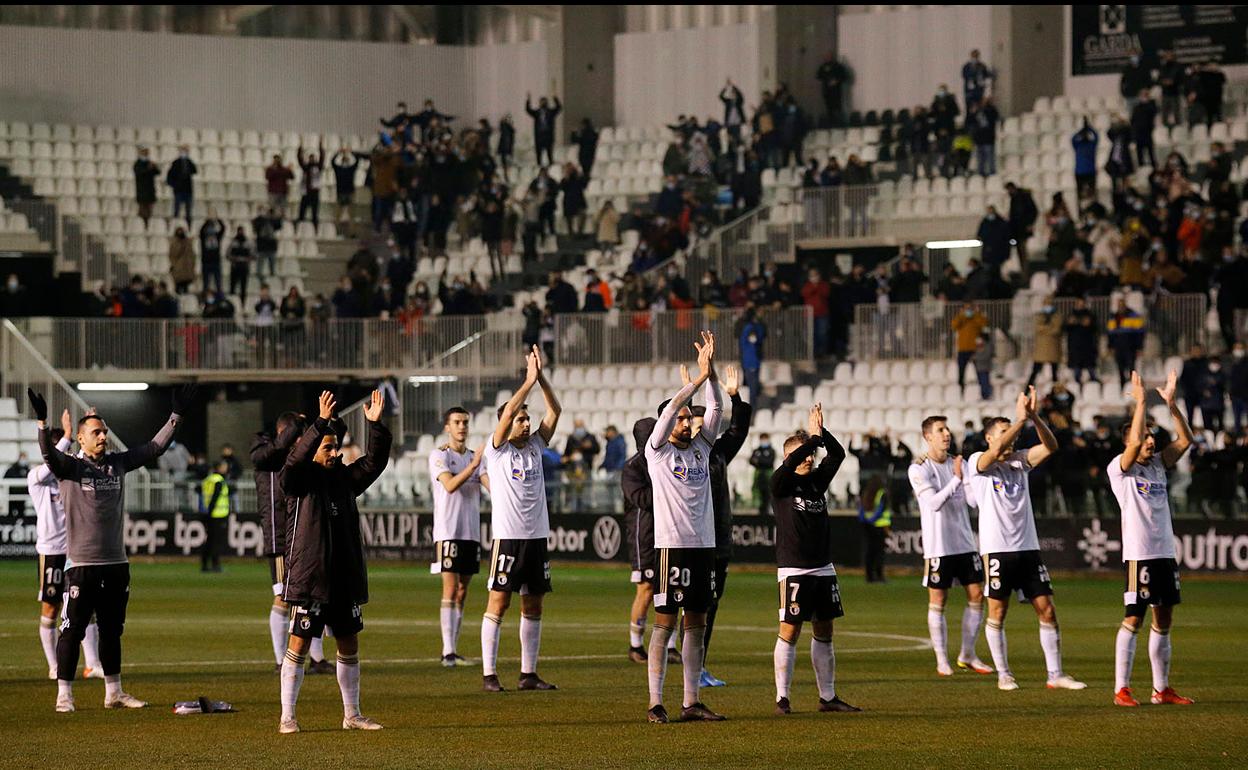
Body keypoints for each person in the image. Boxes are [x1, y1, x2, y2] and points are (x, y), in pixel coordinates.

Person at [30, 383, 196, 712]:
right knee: (72, 630)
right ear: (81, 439)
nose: (103, 437)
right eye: (96, 432)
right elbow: (48, 455)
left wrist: (176, 415)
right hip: (80, 565)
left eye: (104, 432)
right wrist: (42, 424)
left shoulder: (118, 464)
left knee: (110, 631)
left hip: (116, 564)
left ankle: (114, 692)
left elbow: (154, 448)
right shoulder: (70, 468)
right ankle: (65, 693)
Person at [277, 389, 390, 733]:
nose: (334, 452)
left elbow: (375, 463)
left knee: (349, 643)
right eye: (327, 447)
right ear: (312, 450)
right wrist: (320, 422)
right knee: (298, 643)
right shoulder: (299, 480)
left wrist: (376, 426)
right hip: (312, 578)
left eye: (335, 446)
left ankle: (352, 714)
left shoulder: (344, 478)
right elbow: (294, 462)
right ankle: (288, 715)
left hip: (343, 577)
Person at [967, 387, 1085, 692]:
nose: (1012, 438)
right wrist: (1020, 421)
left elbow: (1051, 445)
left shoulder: (1020, 461)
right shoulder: (978, 461)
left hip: (1028, 548)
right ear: (990, 437)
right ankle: (1004, 674)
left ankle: (1055, 674)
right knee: (998, 611)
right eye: (1004, 432)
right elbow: (993, 455)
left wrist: (1033, 417)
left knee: (1047, 609)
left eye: (1013, 432)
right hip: (997, 551)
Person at [644, 330, 725, 723]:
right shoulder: (656, 452)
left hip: (703, 546)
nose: (687, 420)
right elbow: (670, 411)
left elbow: (717, 412)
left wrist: (709, 376)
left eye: (688, 417)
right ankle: (656, 701)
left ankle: (691, 701)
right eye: (680, 416)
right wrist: (692, 382)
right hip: (671, 547)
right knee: (665, 622)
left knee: (697, 622)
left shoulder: (701, 448)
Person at [480, 345, 562, 693]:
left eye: (528, 419)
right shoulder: (496, 449)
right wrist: (526, 382)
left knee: (534, 602)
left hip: (536, 535)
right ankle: (489, 674)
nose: (526, 423)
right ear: (507, 422)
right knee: (499, 600)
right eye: (521, 419)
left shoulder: (535, 445)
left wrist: (541, 379)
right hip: (509, 536)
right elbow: (510, 407)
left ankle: (528, 674)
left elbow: (555, 409)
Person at [1110, 371, 1195, 707]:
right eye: (1145, 436)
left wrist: (1172, 406)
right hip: (1139, 554)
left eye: (1151, 437)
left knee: (1164, 618)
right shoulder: (1120, 468)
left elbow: (1186, 440)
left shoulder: (1158, 464)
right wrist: (1142, 401)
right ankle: (1122, 688)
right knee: (1135, 617)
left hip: (1163, 552)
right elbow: (1132, 445)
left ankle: (1161, 689)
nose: (1150, 441)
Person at [771, 403, 859, 714]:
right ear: (788, 458)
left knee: (825, 631)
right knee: (790, 629)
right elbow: (796, 458)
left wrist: (821, 435)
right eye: (803, 454)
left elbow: (837, 456)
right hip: (794, 567)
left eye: (811, 453)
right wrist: (810, 440)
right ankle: (783, 697)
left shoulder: (816, 482)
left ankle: (828, 697)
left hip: (823, 567)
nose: (809, 458)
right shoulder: (781, 484)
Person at [909, 416, 993, 677]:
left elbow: (972, 502)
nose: (947, 433)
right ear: (928, 437)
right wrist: (957, 479)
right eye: (940, 430)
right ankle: (941, 659)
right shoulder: (919, 468)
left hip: (965, 542)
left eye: (947, 429)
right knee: (939, 599)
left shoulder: (960, 462)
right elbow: (933, 503)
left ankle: (967, 654)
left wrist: (968, 480)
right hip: (939, 546)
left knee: (977, 596)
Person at [29, 408, 104, 681]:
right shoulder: (35, 478)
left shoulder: (69, 475)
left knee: (86, 607)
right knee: (50, 608)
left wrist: (88, 425)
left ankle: (92, 663)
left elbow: (90, 459)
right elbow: (51, 463)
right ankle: (54, 665)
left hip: (76, 551)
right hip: (50, 552)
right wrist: (68, 437)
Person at [688, 365, 751, 689]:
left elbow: (739, 429)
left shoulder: (718, 454)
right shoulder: (680, 456)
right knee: (688, 607)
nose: (701, 433)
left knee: (709, 607)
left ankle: (698, 666)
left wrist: (734, 396)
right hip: (690, 541)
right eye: (695, 426)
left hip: (718, 541)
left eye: (704, 426)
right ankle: (685, 664)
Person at [250, 411, 328, 673]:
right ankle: (280, 660)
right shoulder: (265, 450)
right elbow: (272, 452)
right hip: (281, 537)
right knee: (284, 597)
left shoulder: (300, 456)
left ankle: (316, 658)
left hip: (304, 535)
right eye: (297, 433)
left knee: (311, 596)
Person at [430, 407, 488, 667]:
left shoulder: (477, 457)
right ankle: (447, 651)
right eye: (457, 422)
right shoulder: (439, 455)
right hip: (448, 532)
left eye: (465, 422)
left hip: (471, 532)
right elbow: (451, 486)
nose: (462, 427)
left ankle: (453, 648)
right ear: (447, 427)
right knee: (450, 589)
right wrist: (474, 466)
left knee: (463, 591)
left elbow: (491, 487)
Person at [622, 417, 679, 665]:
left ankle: (670, 646)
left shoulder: (666, 458)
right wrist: (668, 489)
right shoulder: (633, 467)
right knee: (646, 589)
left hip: (669, 532)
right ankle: (635, 645)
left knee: (673, 588)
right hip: (643, 534)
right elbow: (641, 498)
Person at [858, 470, 891, 583]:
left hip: (867, 526)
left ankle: (869, 576)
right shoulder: (882, 493)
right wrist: (873, 520)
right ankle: (879, 576)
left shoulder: (866, 492)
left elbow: (861, 510)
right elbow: (881, 510)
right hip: (879, 526)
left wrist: (865, 520)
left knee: (870, 551)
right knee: (879, 552)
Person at [199, 460, 230, 573]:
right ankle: (215, 564)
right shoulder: (219, 481)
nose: (226, 468)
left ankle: (204, 564)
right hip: (218, 514)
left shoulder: (208, 480)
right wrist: (211, 511)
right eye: (224, 466)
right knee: (216, 541)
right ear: (219, 468)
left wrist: (207, 513)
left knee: (209, 540)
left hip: (208, 514)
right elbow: (215, 498)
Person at [1107, 299, 1146, 385]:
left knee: (1131, 368)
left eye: (1122, 305)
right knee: (1120, 369)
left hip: (1130, 347)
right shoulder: (1114, 317)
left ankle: (1133, 386)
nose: (1121, 307)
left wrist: (1139, 347)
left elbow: (1140, 333)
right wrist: (1110, 347)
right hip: (1118, 348)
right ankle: (1123, 386)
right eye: (1119, 305)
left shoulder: (1133, 315)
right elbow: (1110, 334)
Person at [951, 302, 988, 388]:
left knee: (979, 370)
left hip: (974, 349)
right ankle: (960, 387)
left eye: (970, 309)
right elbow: (953, 326)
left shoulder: (976, 318)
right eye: (966, 309)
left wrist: (977, 314)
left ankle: (982, 387)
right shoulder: (961, 319)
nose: (968, 311)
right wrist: (961, 315)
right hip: (962, 349)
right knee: (961, 371)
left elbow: (984, 324)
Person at [1028, 299, 1062, 387]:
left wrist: (1044, 329)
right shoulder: (1039, 316)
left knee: (1055, 375)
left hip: (1053, 349)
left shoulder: (1057, 316)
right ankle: (1026, 393)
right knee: (1034, 373)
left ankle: (1055, 395)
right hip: (1041, 350)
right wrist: (1050, 328)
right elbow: (1037, 328)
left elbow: (1056, 329)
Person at [526, 93, 562, 167]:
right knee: (539, 154)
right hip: (539, 136)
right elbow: (528, 110)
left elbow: (559, 108)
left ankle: (551, 166)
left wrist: (555, 99)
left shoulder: (550, 112)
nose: (543, 103)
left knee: (549, 153)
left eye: (544, 101)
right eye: (542, 102)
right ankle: (539, 167)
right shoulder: (537, 113)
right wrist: (528, 100)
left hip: (548, 135)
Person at [296, 139, 325, 228]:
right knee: (301, 212)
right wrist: (300, 148)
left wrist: (320, 146)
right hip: (306, 192)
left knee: (314, 213)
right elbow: (299, 160)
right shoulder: (306, 168)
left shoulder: (318, 167)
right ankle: (299, 227)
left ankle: (315, 229)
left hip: (315, 192)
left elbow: (322, 158)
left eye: (313, 158)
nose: (312, 159)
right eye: (310, 158)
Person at [739, 309, 766, 406]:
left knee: (754, 387)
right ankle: (752, 408)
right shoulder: (750, 329)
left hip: (752, 361)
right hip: (751, 362)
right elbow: (754, 340)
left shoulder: (751, 327)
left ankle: (753, 406)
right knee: (753, 388)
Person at [166, 145, 196, 224]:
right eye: (183, 151)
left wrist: (188, 160)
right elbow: (169, 176)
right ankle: (175, 225)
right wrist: (174, 185)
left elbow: (195, 170)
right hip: (178, 190)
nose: (184, 153)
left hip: (188, 190)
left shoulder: (189, 162)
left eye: (185, 151)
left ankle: (188, 226)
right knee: (177, 210)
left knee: (188, 211)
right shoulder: (175, 163)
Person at [816, 55, 848, 126]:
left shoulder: (838, 66)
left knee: (838, 107)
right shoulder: (823, 66)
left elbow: (844, 77)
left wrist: (836, 81)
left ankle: (839, 123)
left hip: (836, 91)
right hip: (827, 91)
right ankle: (830, 123)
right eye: (827, 57)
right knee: (829, 108)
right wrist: (826, 79)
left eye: (830, 57)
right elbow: (818, 76)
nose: (828, 58)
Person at [331, 146, 361, 224]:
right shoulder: (339, 169)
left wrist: (351, 152)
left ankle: (352, 232)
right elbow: (332, 161)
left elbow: (357, 161)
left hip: (348, 192)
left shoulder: (350, 169)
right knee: (338, 213)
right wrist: (339, 152)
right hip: (342, 192)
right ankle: (337, 230)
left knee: (351, 213)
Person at [199, 213, 226, 295]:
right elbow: (201, 231)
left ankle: (220, 297)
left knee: (218, 283)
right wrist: (207, 221)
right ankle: (205, 298)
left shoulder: (217, 237)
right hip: (206, 262)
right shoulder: (204, 238)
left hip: (215, 262)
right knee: (206, 283)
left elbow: (223, 229)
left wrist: (217, 219)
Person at [1071, 120, 1099, 200]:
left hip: (1085, 172)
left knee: (1090, 193)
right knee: (1082, 193)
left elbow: (1073, 139)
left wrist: (1084, 129)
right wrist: (1087, 129)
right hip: (1085, 172)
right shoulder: (1081, 145)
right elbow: (1073, 139)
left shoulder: (1088, 145)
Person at [750, 435, 776, 517]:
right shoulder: (757, 450)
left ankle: (768, 512)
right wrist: (762, 460)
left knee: (768, 495)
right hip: (759, 477)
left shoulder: (771, 451)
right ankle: (759, 513)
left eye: (765, 439)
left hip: (768, 476)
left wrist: (759, 460)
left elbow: (769, 461)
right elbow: (751, 460)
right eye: (762, 439)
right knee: (758, 495)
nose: (763, 441)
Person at [227, 226, 254, 305]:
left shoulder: (248, 243)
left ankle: (243, 304)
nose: (240, 233)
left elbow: (253, 255)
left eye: (242, 231)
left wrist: (247, 259)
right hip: (235, 267)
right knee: (232, 288)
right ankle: (232, 303)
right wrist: (234, 259)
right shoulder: (233, 242)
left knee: (243, 288)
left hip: (244, 267)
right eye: (239, 231)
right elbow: (227, 254)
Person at [133, 147, 160, 226]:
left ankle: (148, 225)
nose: (146, 155)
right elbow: (139, 173)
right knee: (142, 210)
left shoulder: (150, 163)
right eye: (144, 153)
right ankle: (142, 225)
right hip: (141, 191)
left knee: (149, 210)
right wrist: (148, 168)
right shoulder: (137, 164)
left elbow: (157, 172)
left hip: (150, 190)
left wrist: (154, 167)